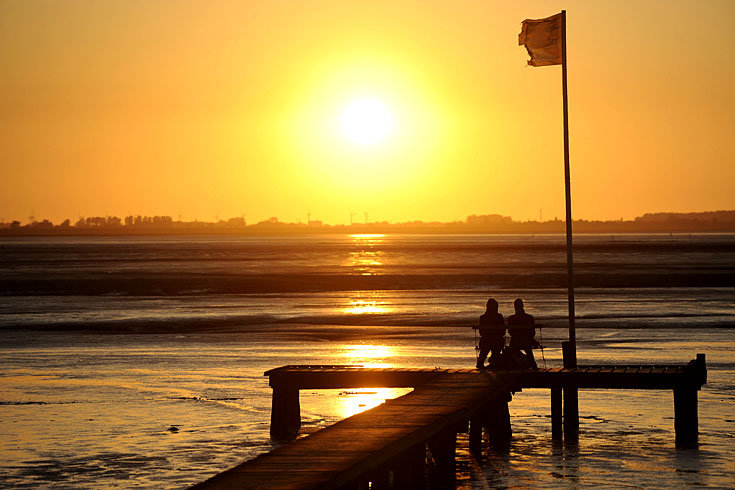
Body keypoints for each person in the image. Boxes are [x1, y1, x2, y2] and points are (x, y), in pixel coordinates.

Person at [507, 298, 539, 369]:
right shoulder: (529, 317)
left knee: (512, 348)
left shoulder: (511, 318)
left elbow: (510, 332)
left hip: (515, 341)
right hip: (526, 340)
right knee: (528, 349)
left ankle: (513, 365)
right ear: (523, 306)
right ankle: (533, 365)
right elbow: (532, 332)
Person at [474, 298, 505, 369]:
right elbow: (503, 330)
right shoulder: (499, 316)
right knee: (494, 348)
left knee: (485, 349)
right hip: (496, 340)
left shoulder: (482, 317)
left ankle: (481, 363)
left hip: (486, 340)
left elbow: (481, 332)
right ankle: (493, 362)